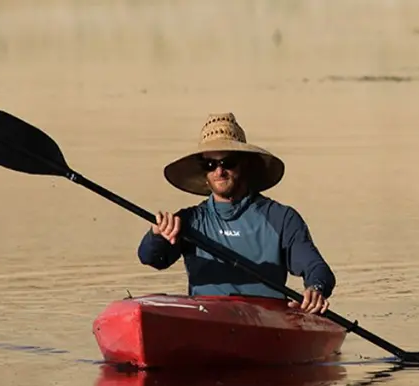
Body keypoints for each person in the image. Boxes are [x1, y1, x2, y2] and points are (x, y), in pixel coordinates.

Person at [137, 112, 335, 314]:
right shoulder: (189, 221)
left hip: (266, 319)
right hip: (206, 317)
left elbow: (317, 269)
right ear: (204, 172)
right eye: (210, 165)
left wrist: (315, 289)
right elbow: (150, 258)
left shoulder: (282, 218)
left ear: (245, 164)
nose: (219, 172)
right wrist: (156, 235)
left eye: (228, 162)